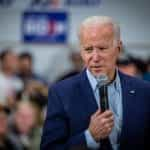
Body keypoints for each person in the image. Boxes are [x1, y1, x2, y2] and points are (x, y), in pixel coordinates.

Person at [40, 16, 150, 150]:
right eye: (88, 49)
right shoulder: (61, 93)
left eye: (102, 48)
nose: (95, 57)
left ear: (119, 48)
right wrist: (89, 136)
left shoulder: (144, 91)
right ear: (81, 51)